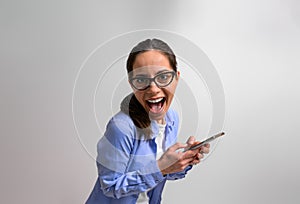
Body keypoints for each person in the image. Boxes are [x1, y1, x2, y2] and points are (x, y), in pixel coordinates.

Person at [86, 38, 210, 204]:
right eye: (141, 80)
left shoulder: (172, 119)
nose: (153, 89)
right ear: (132, 84)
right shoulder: (121, 127)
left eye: (164, 77)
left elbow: (161, 173)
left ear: (177, 78)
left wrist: (183, 161)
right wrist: (160, 168)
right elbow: (110, 186)